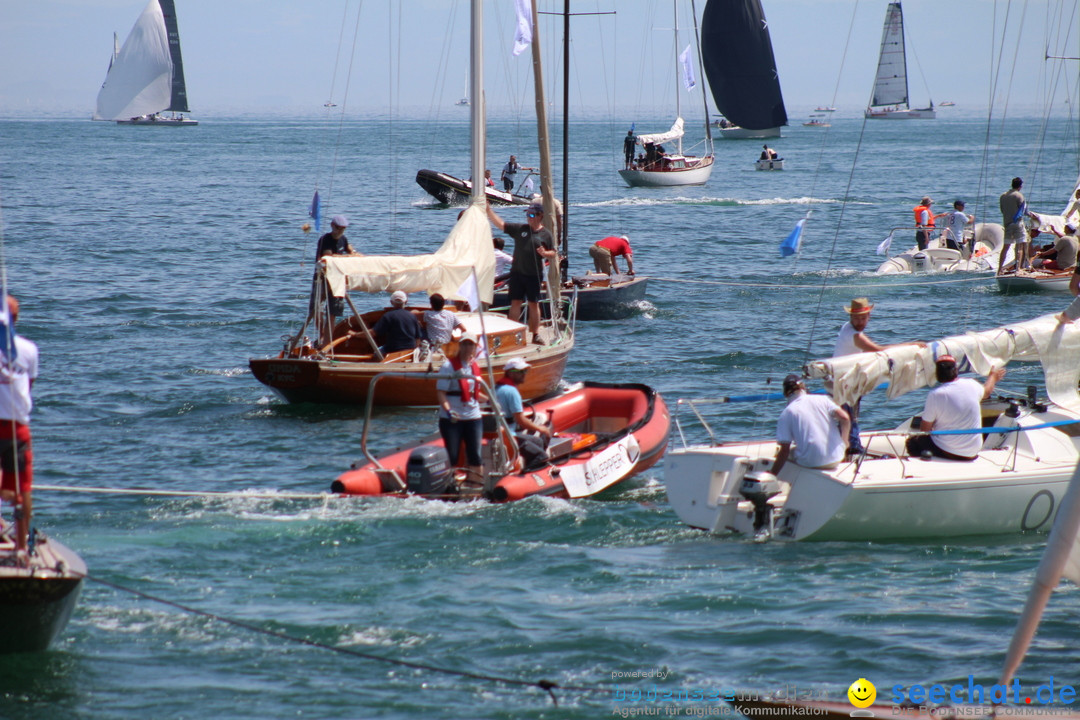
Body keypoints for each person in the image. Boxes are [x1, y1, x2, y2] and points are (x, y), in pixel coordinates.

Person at [833, 298, 926, 457]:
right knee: (850, 418)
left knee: (848, 416)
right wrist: (912, 345)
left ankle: (845, 446)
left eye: (863, 318)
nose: (860, 322)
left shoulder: (847, 328)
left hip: (844, 380)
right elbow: (879, 350)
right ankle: (853, 449)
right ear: (850, 318)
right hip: (844, 383)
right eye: (856, 318)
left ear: (869, 316)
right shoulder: (855, 336)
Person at [905, 356, 1005, 461]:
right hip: (973, 451)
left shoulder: (935, 394)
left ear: (937, 373)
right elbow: (987, 392)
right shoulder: (972, 384)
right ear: (956, 370)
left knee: (912, 443)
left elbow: (925, 430)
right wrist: (993, 377)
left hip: (949, 452)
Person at [486, 201, 557, 344]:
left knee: (533, 304)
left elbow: (554, 253)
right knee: (515, 302)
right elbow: (501, 224)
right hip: (517, 273)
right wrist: (489, 211)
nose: (528, 217)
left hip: (533, 274)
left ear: (539, 215)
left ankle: (535, 334)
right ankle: (512, 332)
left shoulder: (545, 234)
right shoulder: (521, 229)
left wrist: (545, 253)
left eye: (531, 214)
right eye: (527, 214)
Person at [0, 296, 37, 563]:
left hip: (12, 428)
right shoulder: (28, 349)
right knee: (22, 490)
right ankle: (21, 549)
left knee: (15, 490)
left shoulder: (26, 349)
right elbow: (29, 385)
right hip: (17, 427)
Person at [770, 375, 851, 476]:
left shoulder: (787, 413)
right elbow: (845, 418)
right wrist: (845, 442)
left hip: (811, 463)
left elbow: (784, 450)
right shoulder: (823, 399)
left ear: (786, 393)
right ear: (803, 387)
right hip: (837, 457)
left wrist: (772, 474)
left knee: (781, 454)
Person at [436, 333, 486, 486]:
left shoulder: (473, 366)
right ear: (460, 345)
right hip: (453, 418)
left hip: (473, 416)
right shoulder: (448, 367)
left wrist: (492, 400)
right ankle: (449, 486)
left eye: (470, 344)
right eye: (464, 344)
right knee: (452, 454)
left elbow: (474, 393)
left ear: (475, 347)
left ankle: (476, 486)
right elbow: (441, 393)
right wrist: (449, 411)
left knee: (475, 454)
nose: (467, 348)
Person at [494, 358, 553, 468]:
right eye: (521, 372)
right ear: (511, 373)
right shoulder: (511, 392)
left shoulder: (497, 387)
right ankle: (530, 473)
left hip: (502, 433)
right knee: (541, 456)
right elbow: (521, 421)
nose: (524, 374)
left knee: (538, 442)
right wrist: (541, 429)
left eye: (525, 371)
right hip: (509, 436)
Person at [310, 214, 360, 344]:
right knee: (315, 310)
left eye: (343, 228)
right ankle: (322, 334)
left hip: (337, 279)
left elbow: (349, 248)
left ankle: (327, 342)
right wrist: (348, 258)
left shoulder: (343, 239)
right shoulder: (325, 240)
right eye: (338, 228)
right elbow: (329, 258)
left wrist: (353, 252)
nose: (340, 231)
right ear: (332, 226)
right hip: (322, 278)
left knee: (332, 313)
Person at [372, 290, 424, 355]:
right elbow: (418, 338)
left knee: (376, 353)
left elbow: (374, 332)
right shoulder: (413, 316)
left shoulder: (388, 316)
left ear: (391, 302)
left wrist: (356, 334)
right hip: (410, 350)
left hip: (393, 350)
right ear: (406, 302)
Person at [999, 177, 1030, 274]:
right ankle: (1018, 268)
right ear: (1020, 186)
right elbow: (1024, 211)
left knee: (1006, 247)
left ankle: (999, 269)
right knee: (1019, 246)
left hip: (1007, 223)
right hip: (1017, 223)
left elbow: (1002, 210)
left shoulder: (1003, 196)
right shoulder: (1019, 196)